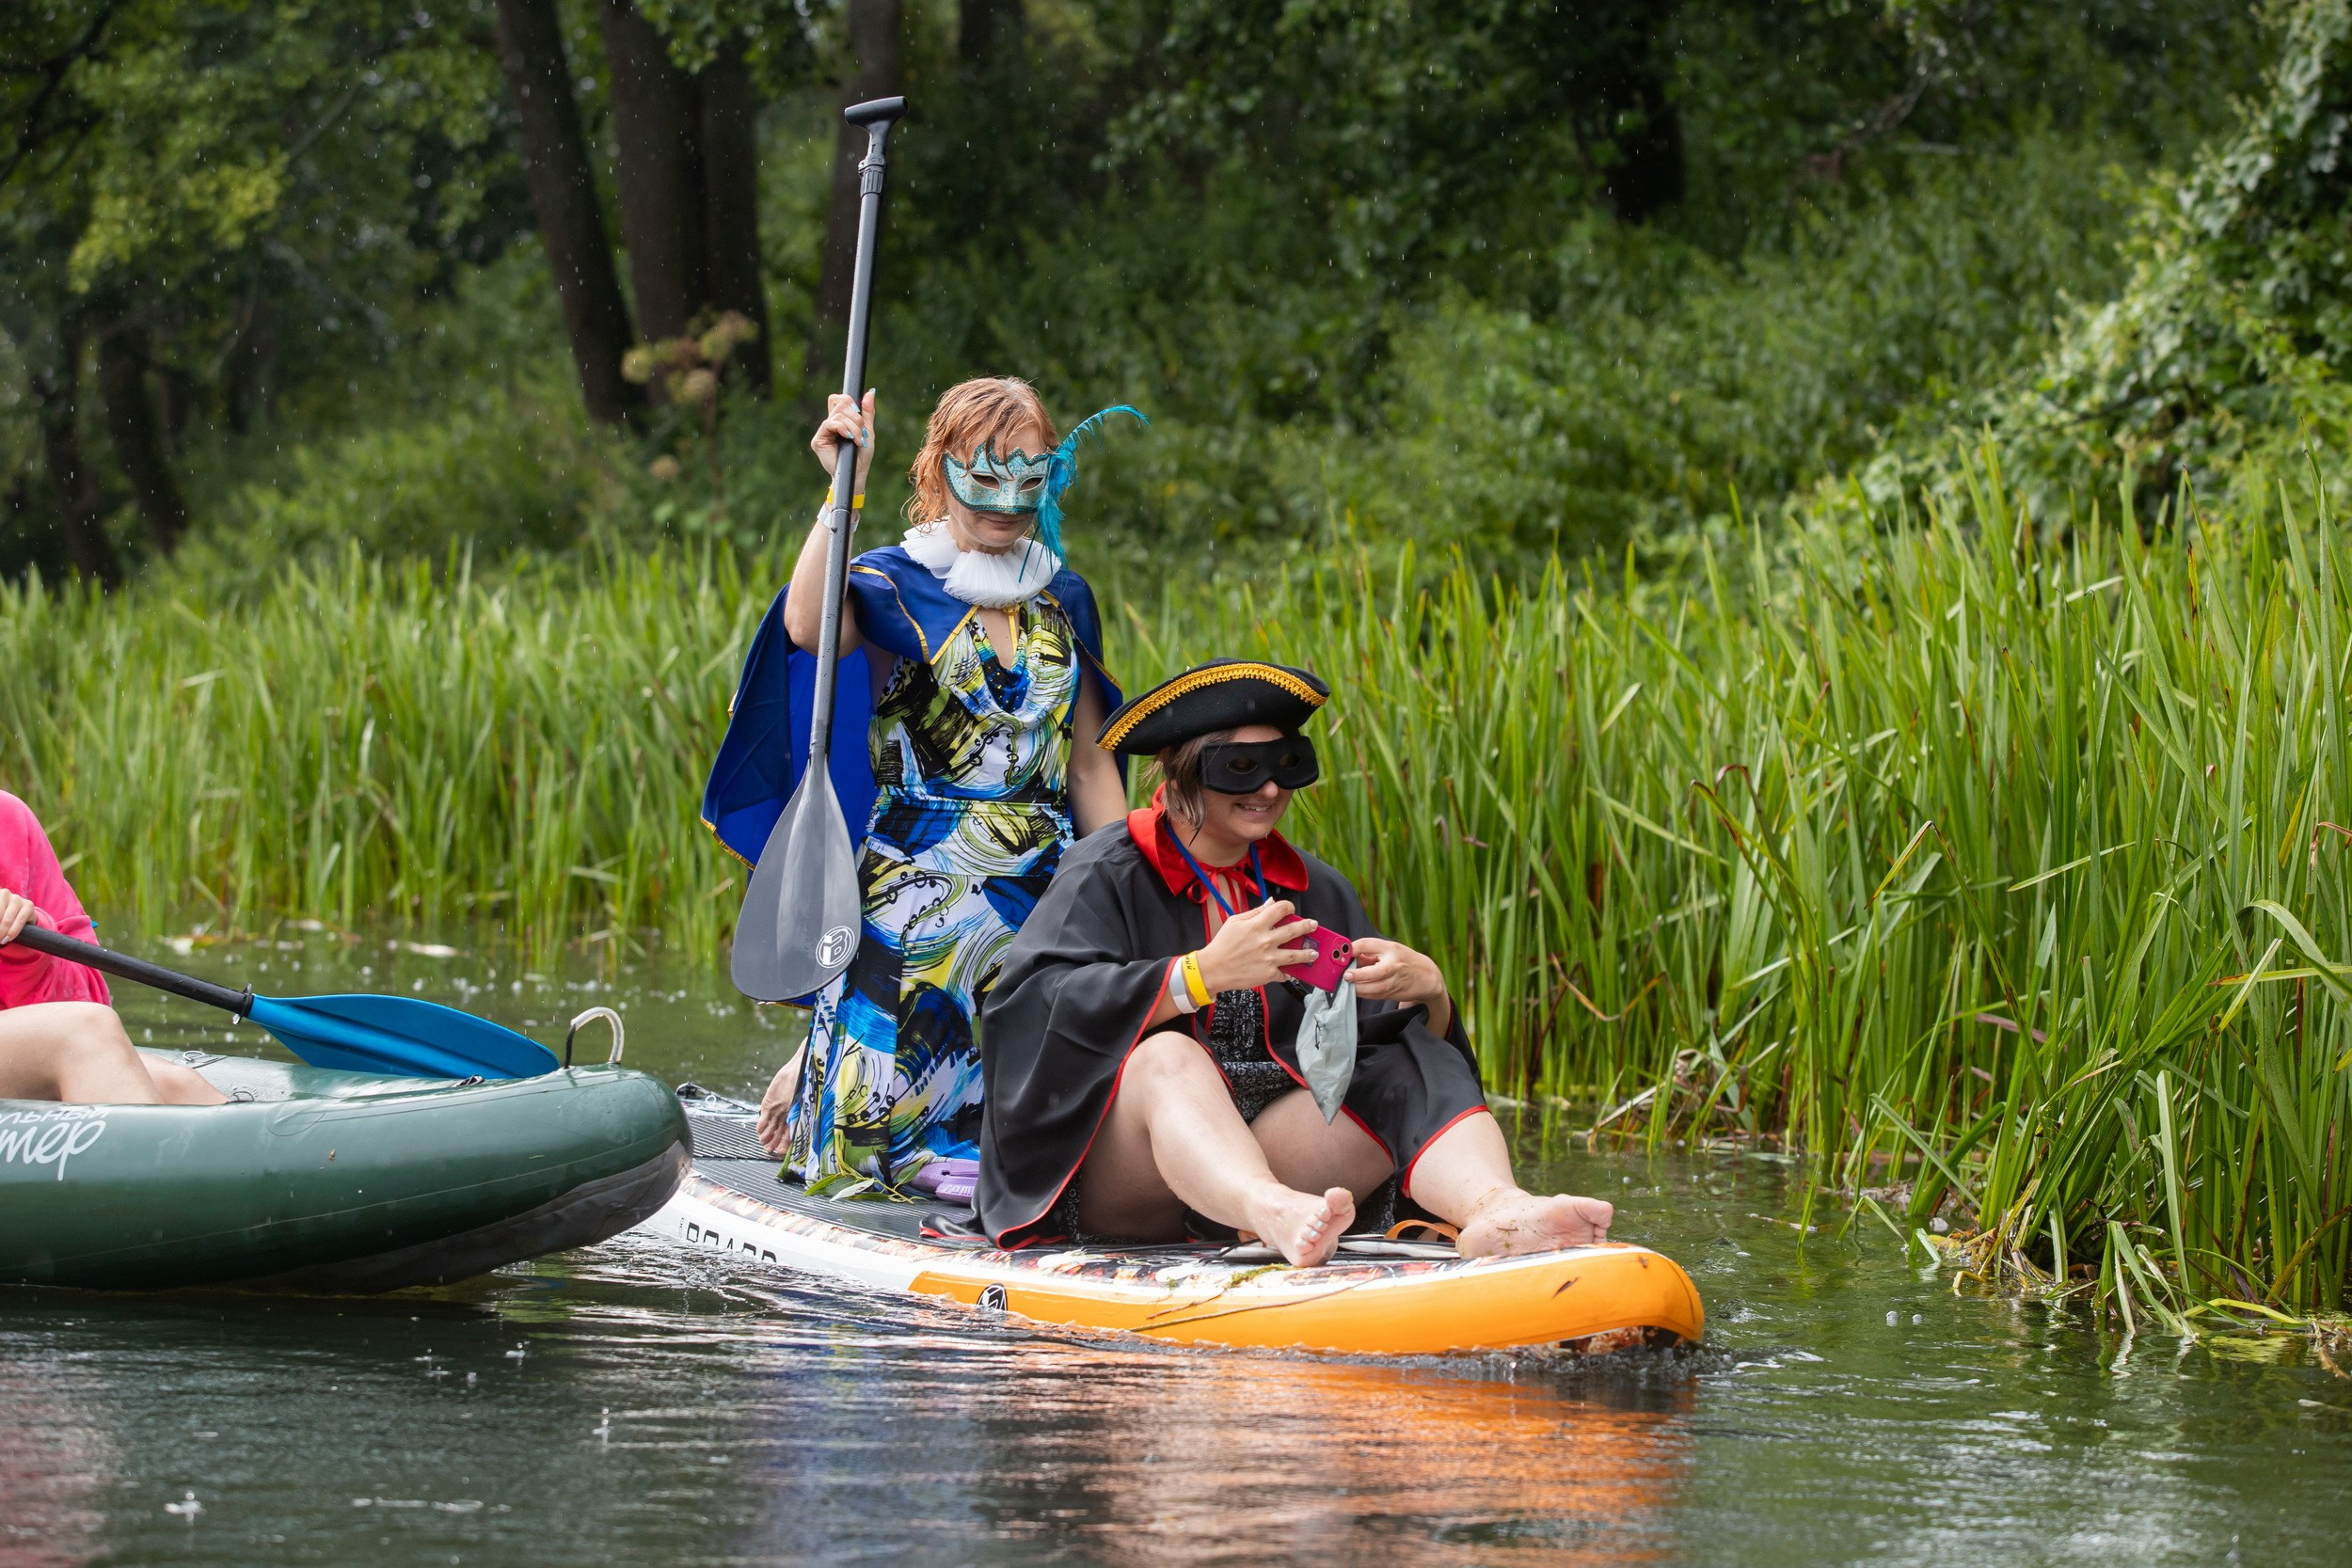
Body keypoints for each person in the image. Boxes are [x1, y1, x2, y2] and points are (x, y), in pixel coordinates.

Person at [974, 659, 1617, 1266]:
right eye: (1241, 768)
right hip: (1134, 1181)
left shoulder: (1313, 886)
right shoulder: (1105, 872)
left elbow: (1378, 1057)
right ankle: (1269, 1208)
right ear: (1182, 776)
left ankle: (1499, 1212)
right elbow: (1030, 1010)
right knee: (1167, 1059)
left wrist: (1431, 996)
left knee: (1404, 1054)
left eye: (1286, 765)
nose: (1271, 788)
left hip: (1276, 1153)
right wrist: (1195, 975)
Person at [704, 378, 1136, 1195]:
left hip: (1041, 887)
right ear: (940, 469)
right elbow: (807, 629)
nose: (1007, 501)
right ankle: (837, 1100)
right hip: (916, 885)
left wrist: (1122, 885)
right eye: (984, 477)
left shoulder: (1063, 593)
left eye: (1029, 477)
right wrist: (845, 488)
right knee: (882, 1134)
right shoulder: (891, 579)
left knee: (1020, 1100)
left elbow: (1087, 762)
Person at [0, 790, 225, 1106]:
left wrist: (24, 948)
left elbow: (90, 1003)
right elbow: (80, 1026)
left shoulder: (8, 817)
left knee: (180, 1086)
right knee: (82, 1031)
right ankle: (143, 1153)